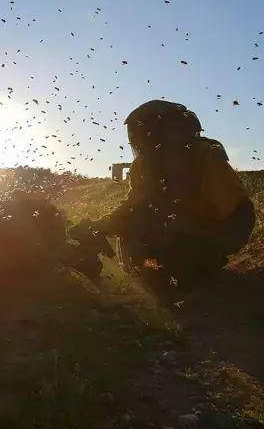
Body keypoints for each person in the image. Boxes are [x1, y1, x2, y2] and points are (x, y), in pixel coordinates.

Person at [81, 100, 255, 288]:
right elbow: (132, 205)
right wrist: (102, 224)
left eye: (140, 133)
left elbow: (229, 208)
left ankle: (202, 265)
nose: (137, 140)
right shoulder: (143, 166)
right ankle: (136, 277)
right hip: (185, 225)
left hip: (224, 227)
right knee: (134, 222)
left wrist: (177, 221)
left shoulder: (205, 155)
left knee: (172, 250)